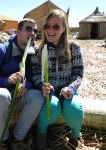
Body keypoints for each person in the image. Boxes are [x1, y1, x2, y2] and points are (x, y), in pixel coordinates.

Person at [0, 18, 44, 150]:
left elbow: (32, 78)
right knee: (2, 95)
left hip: (18, 95)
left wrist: (27, 86)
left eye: (35, 30)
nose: (33, 33)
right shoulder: (0, 50)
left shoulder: (32, 53)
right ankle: (2, 140)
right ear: (18, 32)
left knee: (38, 97)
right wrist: (6, 81)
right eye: (28, 29)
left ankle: (17, 137)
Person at [30, 9, 88, 150]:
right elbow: (36, 73)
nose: (50, 30)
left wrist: (71, 88)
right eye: (47, 26)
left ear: (63, 28)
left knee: (74, 109)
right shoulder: (38, 51)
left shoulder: (73, 47)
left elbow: (78, 73)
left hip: (67, 89)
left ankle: (75, 135)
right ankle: (41, 133)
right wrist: (42, 85)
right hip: (49, 90)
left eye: (56, 26)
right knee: (53, 108)